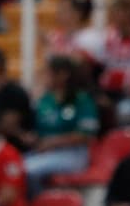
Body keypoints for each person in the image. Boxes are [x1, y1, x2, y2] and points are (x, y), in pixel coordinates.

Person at [24, 55, 100, 196]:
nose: (44, 77)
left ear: (62, 75)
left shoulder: (81, 100)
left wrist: (53, 142)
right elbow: (38, 129)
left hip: (73, 153)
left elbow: (85, 135)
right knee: (14, 168)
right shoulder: (44, 100)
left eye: (48, 73)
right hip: (44, 152)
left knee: (28, 171)